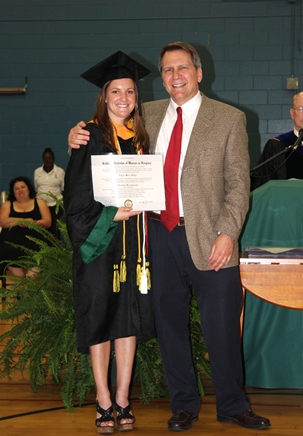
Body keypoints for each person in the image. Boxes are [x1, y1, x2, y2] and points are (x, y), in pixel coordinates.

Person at [67, 42, 271, 432]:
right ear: (161, 78)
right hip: (157, 237)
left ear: (198, 71)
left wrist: (228, 232)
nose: (174, 76)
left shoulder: (229, 118)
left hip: (211, 237)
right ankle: (183, 404)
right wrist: (76, 132)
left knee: (222, 326)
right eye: (166, 70)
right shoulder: (150, 114)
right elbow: (106, 122)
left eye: (182, 68)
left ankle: (232, 403)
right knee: (170, 325)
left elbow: (237, 185)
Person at [64, 51, 155, 433]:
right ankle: (102, 398)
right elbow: (75, 199)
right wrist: (110, 216)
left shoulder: (143, 138)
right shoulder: (90, 137)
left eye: (130, 91)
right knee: (101, 319)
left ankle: (122, 397)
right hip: (102, 246)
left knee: (128, 319)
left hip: (136, 249)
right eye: (115, 91)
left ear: (137, 96)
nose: (123, 98)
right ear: (104, 96)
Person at [0, 176, 51, 278]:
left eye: (23, 187)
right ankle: (22, 287)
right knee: (6, 250)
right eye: (16, 188)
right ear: (13, 192)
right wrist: (21, 221)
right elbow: (2, 221)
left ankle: (27, 287)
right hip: (11, 243)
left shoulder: (39, 202)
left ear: (28, 189)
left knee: (40, 254)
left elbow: (47, 221)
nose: (20, 190)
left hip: (35, 241)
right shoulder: (7, 204)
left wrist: (31, 224)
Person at [34, 147, 65, 236]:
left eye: (50, 158)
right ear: (43, 159)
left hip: (56, 206)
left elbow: (63, 189)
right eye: (45, 158)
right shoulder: (37, 172)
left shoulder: (60, 172)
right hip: (41, 206)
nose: (48, 160)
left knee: (55, 230)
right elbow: (36, 189)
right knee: (42, 231)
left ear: (53, 159)